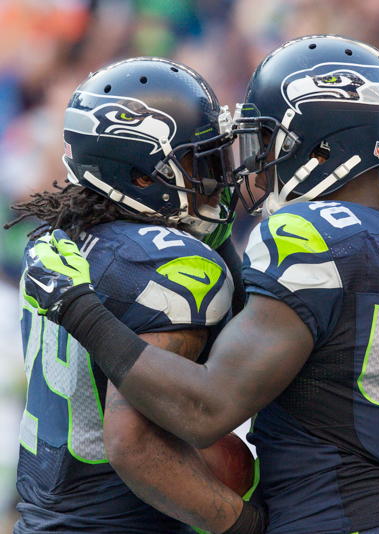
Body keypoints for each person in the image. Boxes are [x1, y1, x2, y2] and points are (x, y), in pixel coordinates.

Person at [21, 35, 379, 534]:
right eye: (200, 163)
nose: (244, 167)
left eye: (268, 141)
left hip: (329, 514)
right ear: (143, 174)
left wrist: (80, 310)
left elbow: (200, 412)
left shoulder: (62, 249)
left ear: (322, 145)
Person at [5, 57, 263, 533]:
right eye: (199, 161)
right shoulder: (178, 264)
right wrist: (249, 525)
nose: (218, 177)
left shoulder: (57, 239)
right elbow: (137, 441)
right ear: (143, 175)